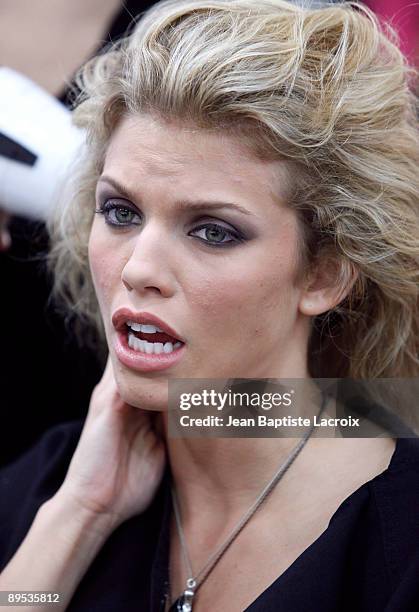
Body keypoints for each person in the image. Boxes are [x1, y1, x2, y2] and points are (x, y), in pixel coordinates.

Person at [1, 0, 419, 610]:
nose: (139, 268)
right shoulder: (52, 485)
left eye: (212, 232)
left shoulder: (401, 546)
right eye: (120, 212)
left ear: (325, 275)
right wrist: (77, 520)